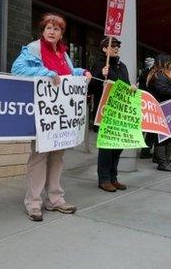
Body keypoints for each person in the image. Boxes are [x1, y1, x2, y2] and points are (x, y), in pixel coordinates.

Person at [11, 12, 92, 221]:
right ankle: (33, 202)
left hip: (61, 115)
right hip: (42, 114)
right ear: (43, 30)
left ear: (61, 33)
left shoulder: (63, 53)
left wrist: (82, 72)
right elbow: (17, 69)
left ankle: (55, 199)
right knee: (39, 157)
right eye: (48, 28)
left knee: (57, 157)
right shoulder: (33, 48)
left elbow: (69, 73)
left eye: (56, 29)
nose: (52, 31)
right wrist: (44, 72)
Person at [91, 37, 130, 192]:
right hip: (105, 112)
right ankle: (104, 179)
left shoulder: (123, 66)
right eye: (112, 45)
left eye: (117, 45)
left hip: (120, 113)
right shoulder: (100, 65)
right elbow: (92, 87)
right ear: (104, 49)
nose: (116, 48)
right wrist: (101, 75)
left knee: (118, 146)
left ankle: (113, 177)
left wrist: (131, 88)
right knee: (107, 147)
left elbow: (125, 85)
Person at [146, 54, 171, 172]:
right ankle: (162, 162)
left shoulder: (161, 75)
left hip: (167, 108)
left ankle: (164, 160)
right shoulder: (160, 76)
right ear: (165, 63)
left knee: (167, 136)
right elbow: (162, 90)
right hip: (163, 108)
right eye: (170, 63)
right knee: (163, 137)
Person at [138, 57, 156, 159]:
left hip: (144, 102)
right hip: (149, 103)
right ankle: (145, 151)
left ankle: (144, 150)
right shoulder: (150, 75)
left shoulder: (143, 73)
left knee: (144, 128)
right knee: (151, 129)